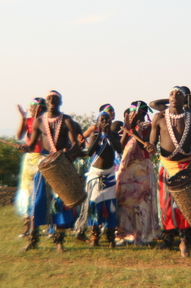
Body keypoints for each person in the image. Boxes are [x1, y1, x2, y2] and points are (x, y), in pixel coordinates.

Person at [145, 86, 191, 257]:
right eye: (171, 94)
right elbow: (152, 142)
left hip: (185, 165)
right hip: (166, 165)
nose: (173, 96)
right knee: (165, 204)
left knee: (184, 204)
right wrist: (151, 147)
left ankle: (184, 239)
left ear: (184, 98)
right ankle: (168, 238)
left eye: (178, 94)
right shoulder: (159, 117)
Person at [22, 90, 80, 252]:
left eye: (56, 98)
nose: (53, 100)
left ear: (60, 102)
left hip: (61, 165)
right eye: (50, 98)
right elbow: (32, 145)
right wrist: (25, 148)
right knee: (38, 201)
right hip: (44, 164)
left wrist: (65, 156)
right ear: (46, 102)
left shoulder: (67, 120)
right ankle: (33, 240)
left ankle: (59, 241)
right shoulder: (39, 121)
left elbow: (76, 145)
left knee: (60, 203)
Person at [74, 111, 122, 247]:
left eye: (107, 120)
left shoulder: (114, 136)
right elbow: (90, 152)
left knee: (111, 207)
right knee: (94, 206)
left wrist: (109, 134)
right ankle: (95, 237)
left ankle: (111, 238)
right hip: (96, 175)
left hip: (109, 175)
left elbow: (119, 149)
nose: (105, 122)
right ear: (98, 122)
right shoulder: (95, 135)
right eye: (102, 120)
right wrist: (100, 133)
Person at [116, 101, 160, 245]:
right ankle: (125, 233)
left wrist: (133, 130)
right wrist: (127, 128)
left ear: (142, 114)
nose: (133, 116)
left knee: (141, 202)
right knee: (125, 200)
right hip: (127, 168)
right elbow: (120, 147)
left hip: (142, 170)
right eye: (131, 114)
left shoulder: (148, 127)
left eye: (136, 114)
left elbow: (144, 145)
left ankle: (140, 234)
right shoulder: (125, 127)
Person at [13, 97, 47, 239]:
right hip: (29, 159)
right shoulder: (29, 121)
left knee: (39, 192)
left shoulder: (46, 122)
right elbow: (19, 135)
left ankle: (41, 225)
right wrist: (23, 118)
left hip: (42, 158)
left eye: (33, 107)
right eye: (31, 107)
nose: (31, 109)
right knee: (27, 192)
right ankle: (28, 227)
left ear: (40, 108)